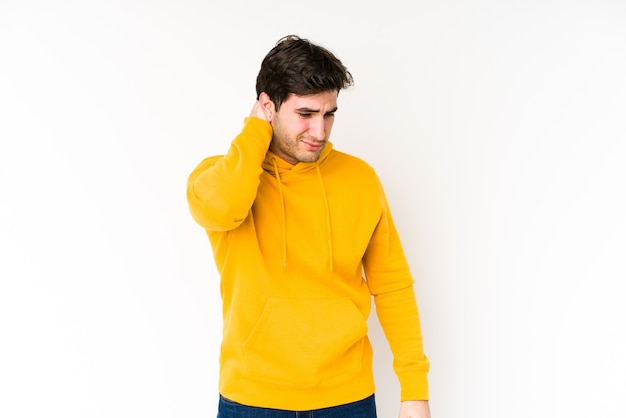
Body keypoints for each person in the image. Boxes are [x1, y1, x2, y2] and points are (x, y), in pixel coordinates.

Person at [186, 35, 431, 418]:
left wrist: (414, 391)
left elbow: (392, 285)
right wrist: (255, 132)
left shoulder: (359, 179)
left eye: (328, 114)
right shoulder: (221, 176)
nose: (320, 131)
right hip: (252, 400)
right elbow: (221, 211)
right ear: (267, 106)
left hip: (347, 399)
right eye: (305, 114)